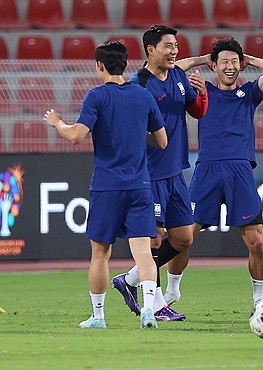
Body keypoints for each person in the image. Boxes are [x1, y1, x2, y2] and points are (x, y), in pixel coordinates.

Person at [43, 41, 168, 329]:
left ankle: (98, 317)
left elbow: (76, 136)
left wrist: (57, 123)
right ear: (125, 64)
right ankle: (149, 311)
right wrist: (138, 135)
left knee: (100, 254)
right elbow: (162, 141)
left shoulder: (97, 96)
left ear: (100, 65)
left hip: (107, 186)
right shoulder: (143, 96)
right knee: (144, 252)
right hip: (140, 185)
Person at [162, 37, 263, 307]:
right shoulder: (201, 92)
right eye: (224, 62)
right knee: (183, 237)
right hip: (206, 170)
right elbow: (172, 72)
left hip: (240, 170)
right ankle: (172, 291)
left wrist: (247, 59)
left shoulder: (250, 93)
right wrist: (203, 59)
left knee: (257, 242)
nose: (230, 67)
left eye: (234, 62)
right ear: (214, 65)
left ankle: (260, 299)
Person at [111, 25, 208, 321]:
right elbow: (125, 127)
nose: (174, 51)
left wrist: (202, 94)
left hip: (176, 170)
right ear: (151, 49)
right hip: (148, 173)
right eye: (168, 46)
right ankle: (154, 305)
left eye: (176, 46)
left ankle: (128, 280)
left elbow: (197, 111)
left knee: (183, 239)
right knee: (153, 238)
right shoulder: (138, 85)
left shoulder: (178, 75)